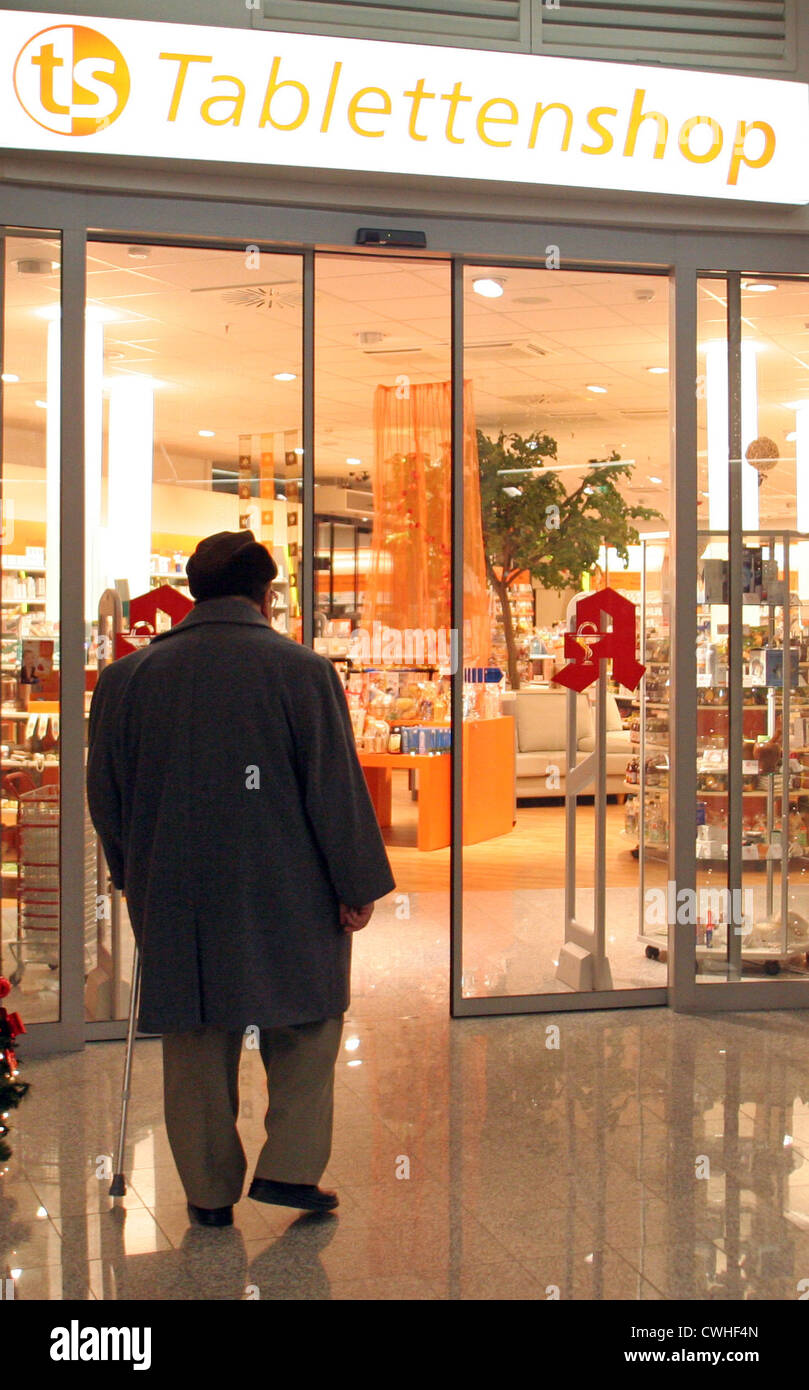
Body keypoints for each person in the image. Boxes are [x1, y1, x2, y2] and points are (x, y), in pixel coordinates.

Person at [87, 530, 395, 1228]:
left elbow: (103, 791)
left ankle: (206, 1191)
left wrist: (134, 871)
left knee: (194, 1031)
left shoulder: (127, 678)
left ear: (193, 591)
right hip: (288, 878)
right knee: (308, 1021)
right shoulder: (300, 670)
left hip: (175, 883)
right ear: (265, 593)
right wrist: (355, 883)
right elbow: (333, 788)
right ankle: (289, 1169)